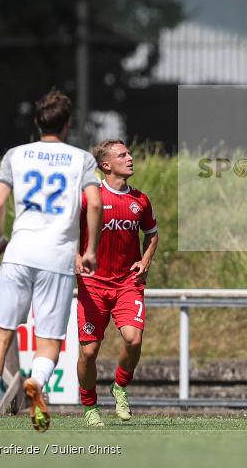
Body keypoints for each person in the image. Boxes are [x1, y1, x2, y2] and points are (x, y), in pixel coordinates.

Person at [0, 90, 102, 434]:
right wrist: (90, 250)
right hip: (56, 257)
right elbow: (95, 204)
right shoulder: (81, 159)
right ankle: (36, 382)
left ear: (36, 122)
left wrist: (0, 238)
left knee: (0, 338)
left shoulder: (16, 154)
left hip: (19, 254)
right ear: (68, 124)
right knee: (49, 343)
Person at [76, 140, 159, 427]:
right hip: (92, 284)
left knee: (133, 340)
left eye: (129, 153)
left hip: (127, 283)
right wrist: (76, 256)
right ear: (106, 165)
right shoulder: (89, 198)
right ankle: (90, 406)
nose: (130, 158)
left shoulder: (140, 200)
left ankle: (120, 387)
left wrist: (145, 260)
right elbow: (68, 232)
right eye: (122, 155)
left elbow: (152, 234)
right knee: (89, 352)